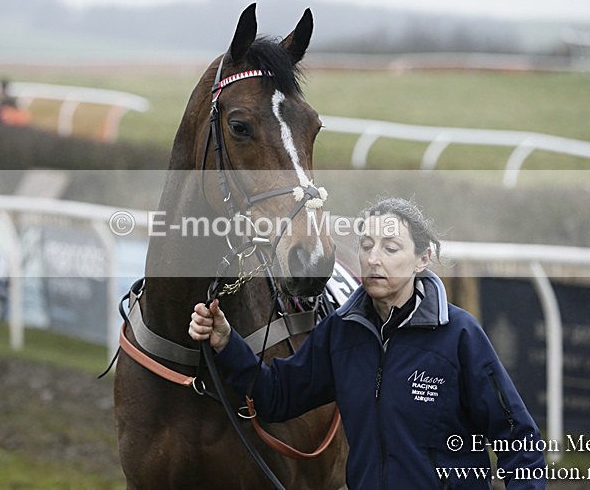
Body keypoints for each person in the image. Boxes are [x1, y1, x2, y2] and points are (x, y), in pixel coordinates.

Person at [189, 197, 546, 489]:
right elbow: (275, 396)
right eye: (366, 246)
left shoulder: (460, 334)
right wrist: (226, 341)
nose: (374, 258)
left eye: (390, 248)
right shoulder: (341, 332)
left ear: (423, 259)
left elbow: (518, 437)